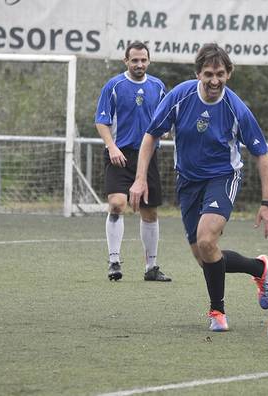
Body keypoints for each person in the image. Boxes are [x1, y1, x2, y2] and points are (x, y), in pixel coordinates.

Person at [129, 43, 268, 332]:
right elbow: (150, 137)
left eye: (220, 73)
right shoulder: (179, 97)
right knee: (204, 256)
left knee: (208, 240)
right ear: (198, 73)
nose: (214, 80)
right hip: (187, 182)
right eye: (208, 73)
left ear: (229, 74)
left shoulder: (236, 108)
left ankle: (217, 312)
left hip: (223, 177)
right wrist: (140, 178)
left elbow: (262, 155)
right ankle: (259, 268)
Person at [94, 41, 171, 282]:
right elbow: (101, 121)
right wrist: (112, 147)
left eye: (143, 60)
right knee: (117, 204)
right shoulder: (114, 85)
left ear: (149, 61)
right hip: (120, 154)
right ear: (126, 61)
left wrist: (165, 130)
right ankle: (114, 261)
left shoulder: (158, 86)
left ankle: (151, 267)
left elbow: (164, 118)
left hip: (147, 157)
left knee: (149, 212)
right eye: (134, 60)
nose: (139, 64)